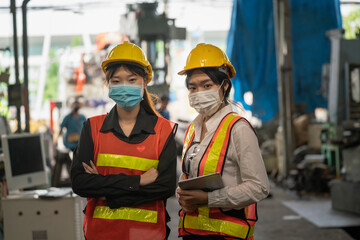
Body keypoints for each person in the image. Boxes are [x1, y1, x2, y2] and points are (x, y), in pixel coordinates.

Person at [70, 41, 178, 240]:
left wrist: (107, 193)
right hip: (101, 235)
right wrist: (138, 181)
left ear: (144, 82)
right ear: (108, 84)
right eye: (116, 81)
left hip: (148, 236)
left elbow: (165, 187)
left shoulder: (163, 130)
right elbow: (80, 183)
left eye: (132, 79)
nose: (124, 86)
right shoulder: (92, 128)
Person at [176, 43, 270, 240]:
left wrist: (209, 199)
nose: (198, 92)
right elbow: (189, 177)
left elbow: (259, 187)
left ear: (224, 85)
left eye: (207, 85)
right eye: (193, 87)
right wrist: (183, 197)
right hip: (192, 232)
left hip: (226, 235)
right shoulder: (193, 129)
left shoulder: (238, 128)